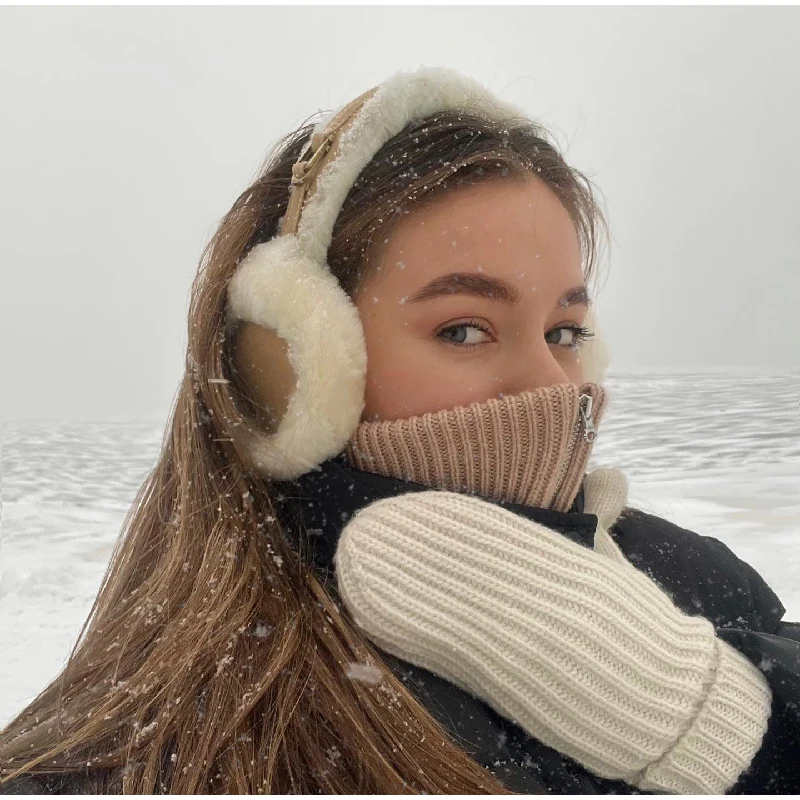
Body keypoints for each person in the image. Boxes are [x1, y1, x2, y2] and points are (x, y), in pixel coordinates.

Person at [1, 65, 798, 795]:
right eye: (464, 329)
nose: (552, 384)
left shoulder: (697, 578)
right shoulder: (163, 747)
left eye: (564, 331)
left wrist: (719, 715)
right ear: (295, 370)